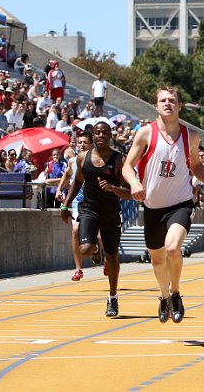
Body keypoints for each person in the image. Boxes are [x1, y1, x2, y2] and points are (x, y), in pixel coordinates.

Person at [122, 86, 204, 324]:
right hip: (152, 206)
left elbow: (196, 166)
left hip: (180, 203)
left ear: (180, 106)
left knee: (172, 249)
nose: (167, 104)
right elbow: (127, 165)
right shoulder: (145, 133)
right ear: (156, 106)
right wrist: (135, 181)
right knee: (157, 260)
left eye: (172, 100)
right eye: (163, 100)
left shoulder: (191, 136)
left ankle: (175, 293)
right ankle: (164, 297)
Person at [60, 120, 131, 317]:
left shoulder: (118, 160)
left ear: (110, 136)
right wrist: (66, 205)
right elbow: (76, 183)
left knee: (112, 257)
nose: (101, 136)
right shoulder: (83, 158)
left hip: (110, 212)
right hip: (89, 209)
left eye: (105, 132)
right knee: (85, 249)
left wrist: (114, 188)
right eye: (98, 133)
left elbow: (130, 191)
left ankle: (113, 297)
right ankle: (95, 247)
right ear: (93, 136)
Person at [56, 131, 95, 281]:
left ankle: (105, 258)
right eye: (80, 142)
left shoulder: (95, 159)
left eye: (85, 142)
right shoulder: (73, 161)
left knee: (99, 236)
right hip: (79, 201)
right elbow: (67, 174)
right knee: (75, 230)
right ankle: (78, 269)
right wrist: (60, 188)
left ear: (91, 144)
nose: (82, 145)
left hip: (94, 200)